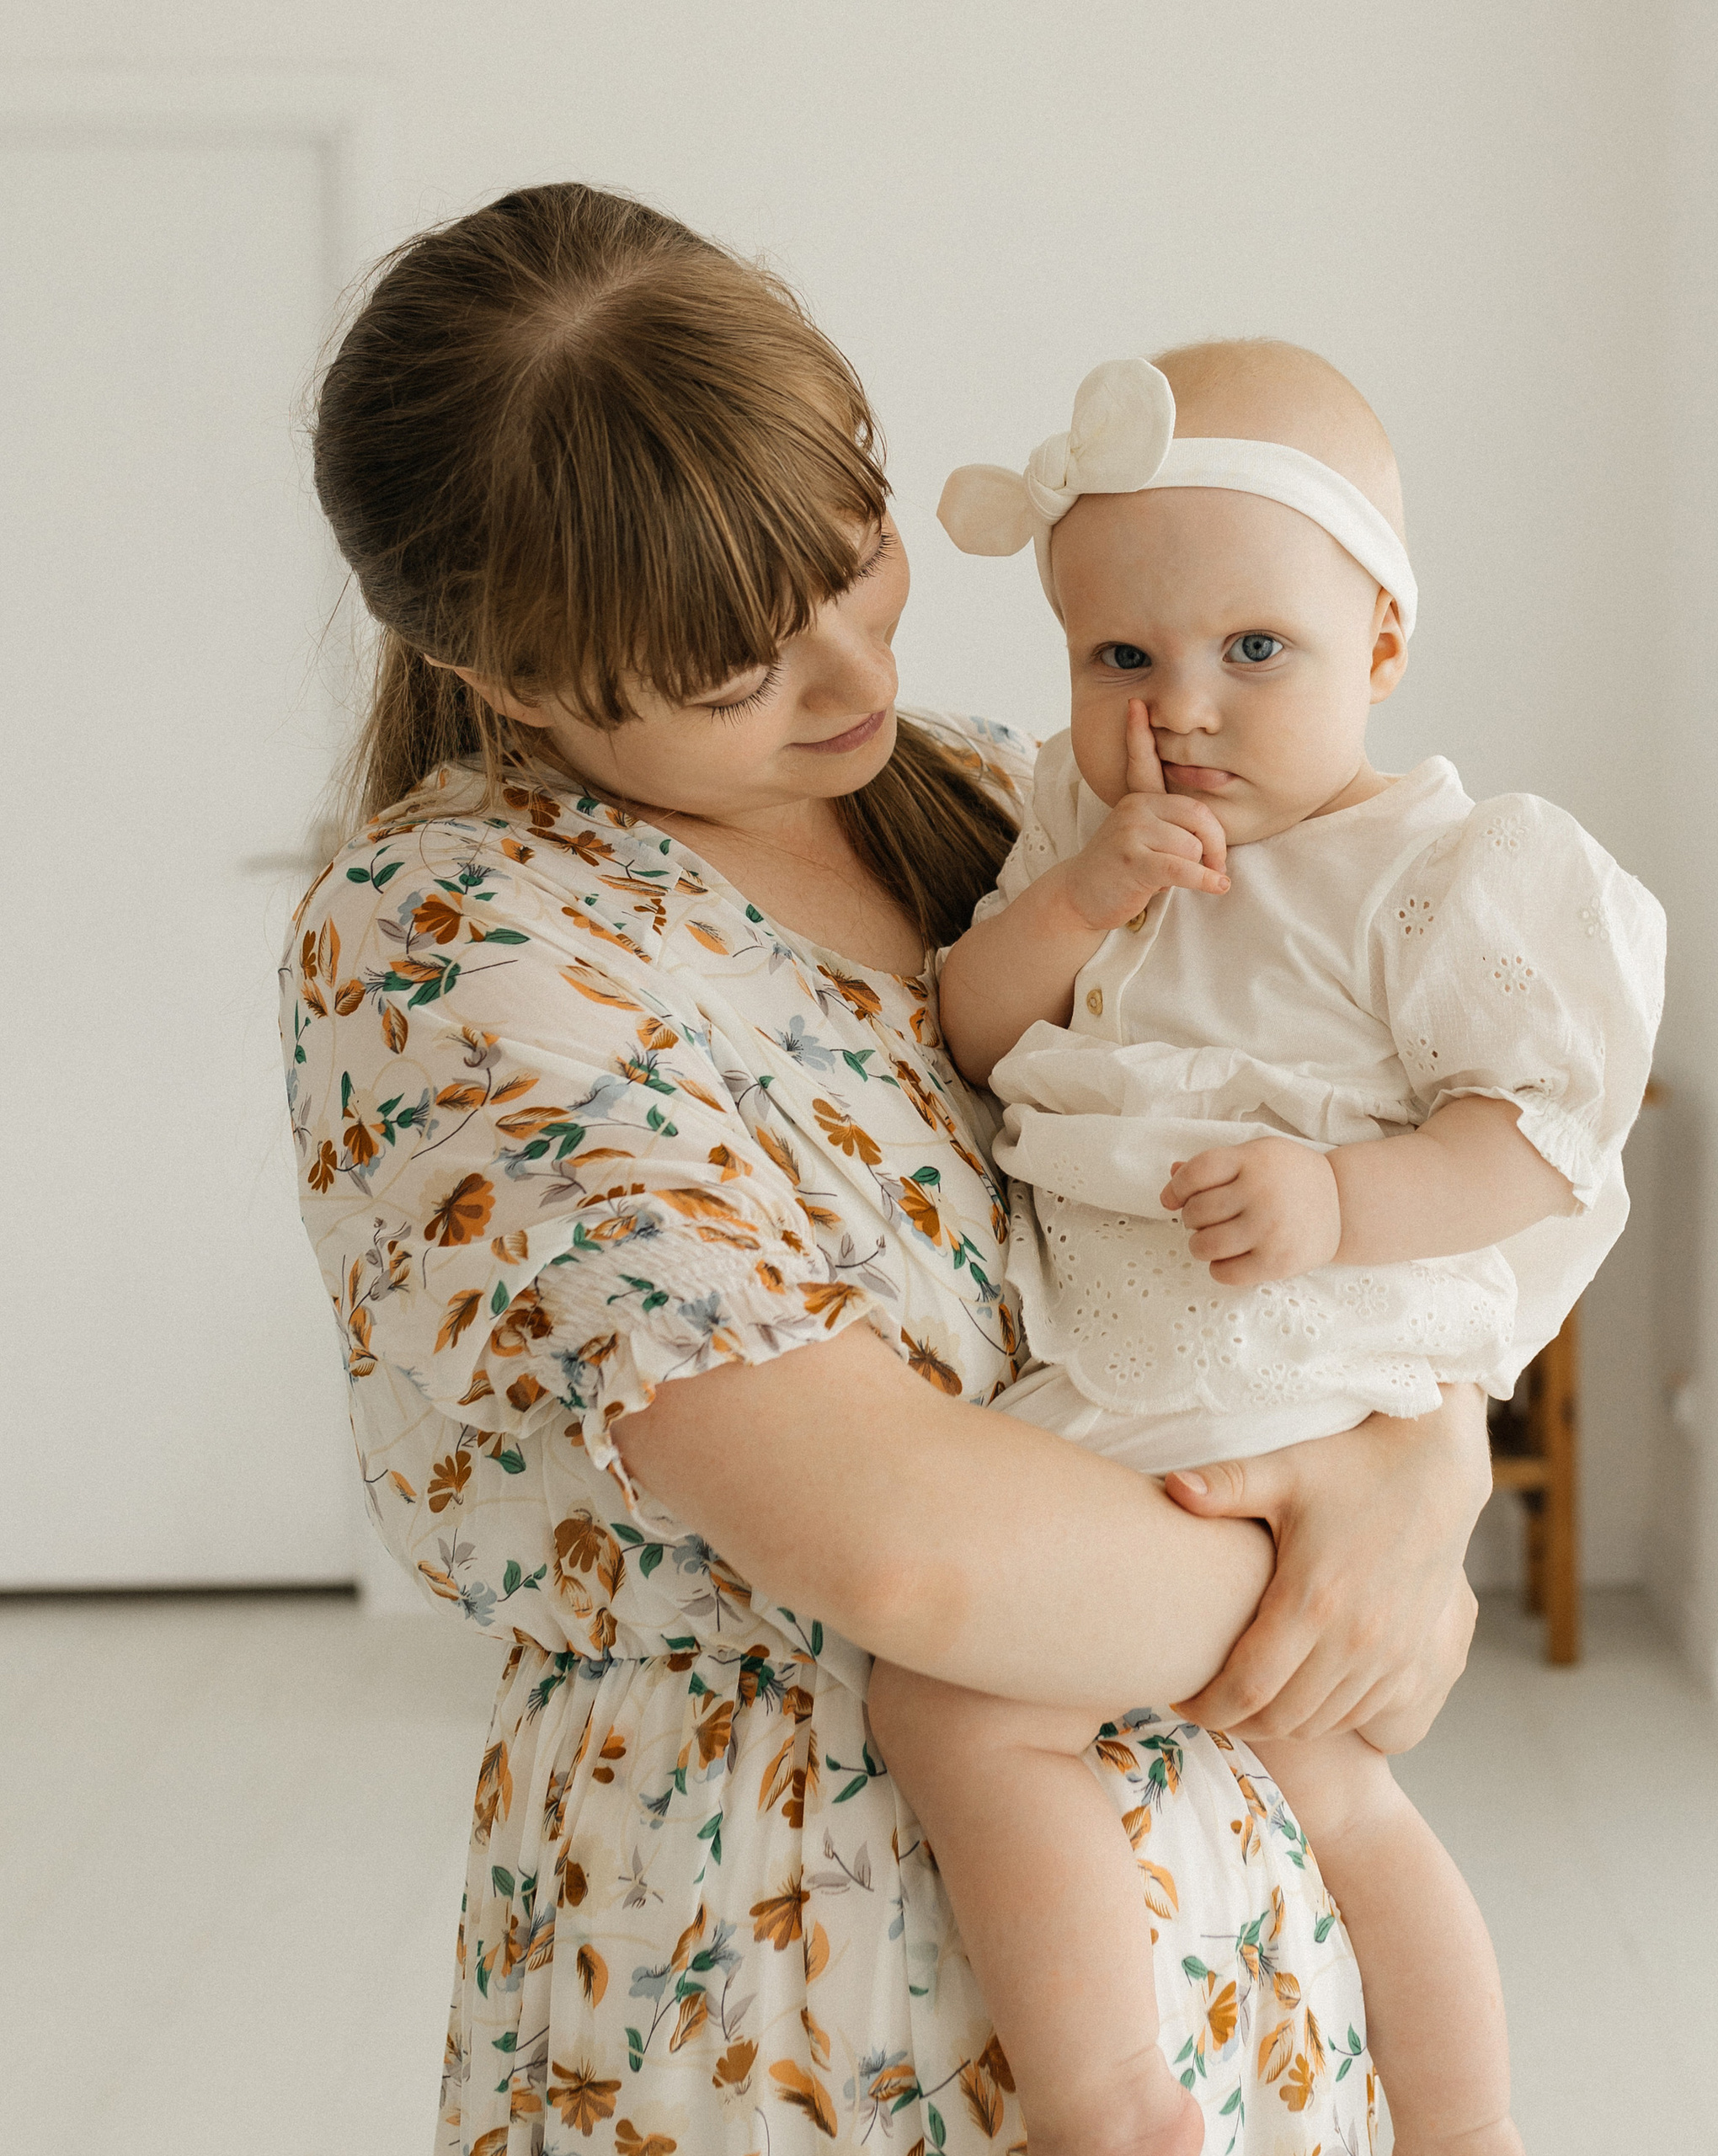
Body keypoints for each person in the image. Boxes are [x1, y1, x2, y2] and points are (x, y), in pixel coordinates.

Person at [287, 182, 1493, 2155]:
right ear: (514, 682)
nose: (848, 675)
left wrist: (1418, 1464)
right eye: (731, 675)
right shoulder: (467, 935)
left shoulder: (981, 795)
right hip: (797, 1986)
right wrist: (1330, 1591)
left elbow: (1330, 1141)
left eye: (854, 566)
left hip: (1226, 1932)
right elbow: (896, 1544)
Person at [867, 346, 1665, 2155]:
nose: (1182, 711)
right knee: (1338, 1790)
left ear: (1378, 644)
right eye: (1118, 659)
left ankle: (1107, 2100)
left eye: (1254, 652)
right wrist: (1081, 896)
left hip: (1273, 1350)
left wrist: (1339, 1199)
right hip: (1130, 1352)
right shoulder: (1075, 836)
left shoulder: (1433, 873)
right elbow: (975, 1031)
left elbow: (1538, 1139)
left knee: (955, 1698)